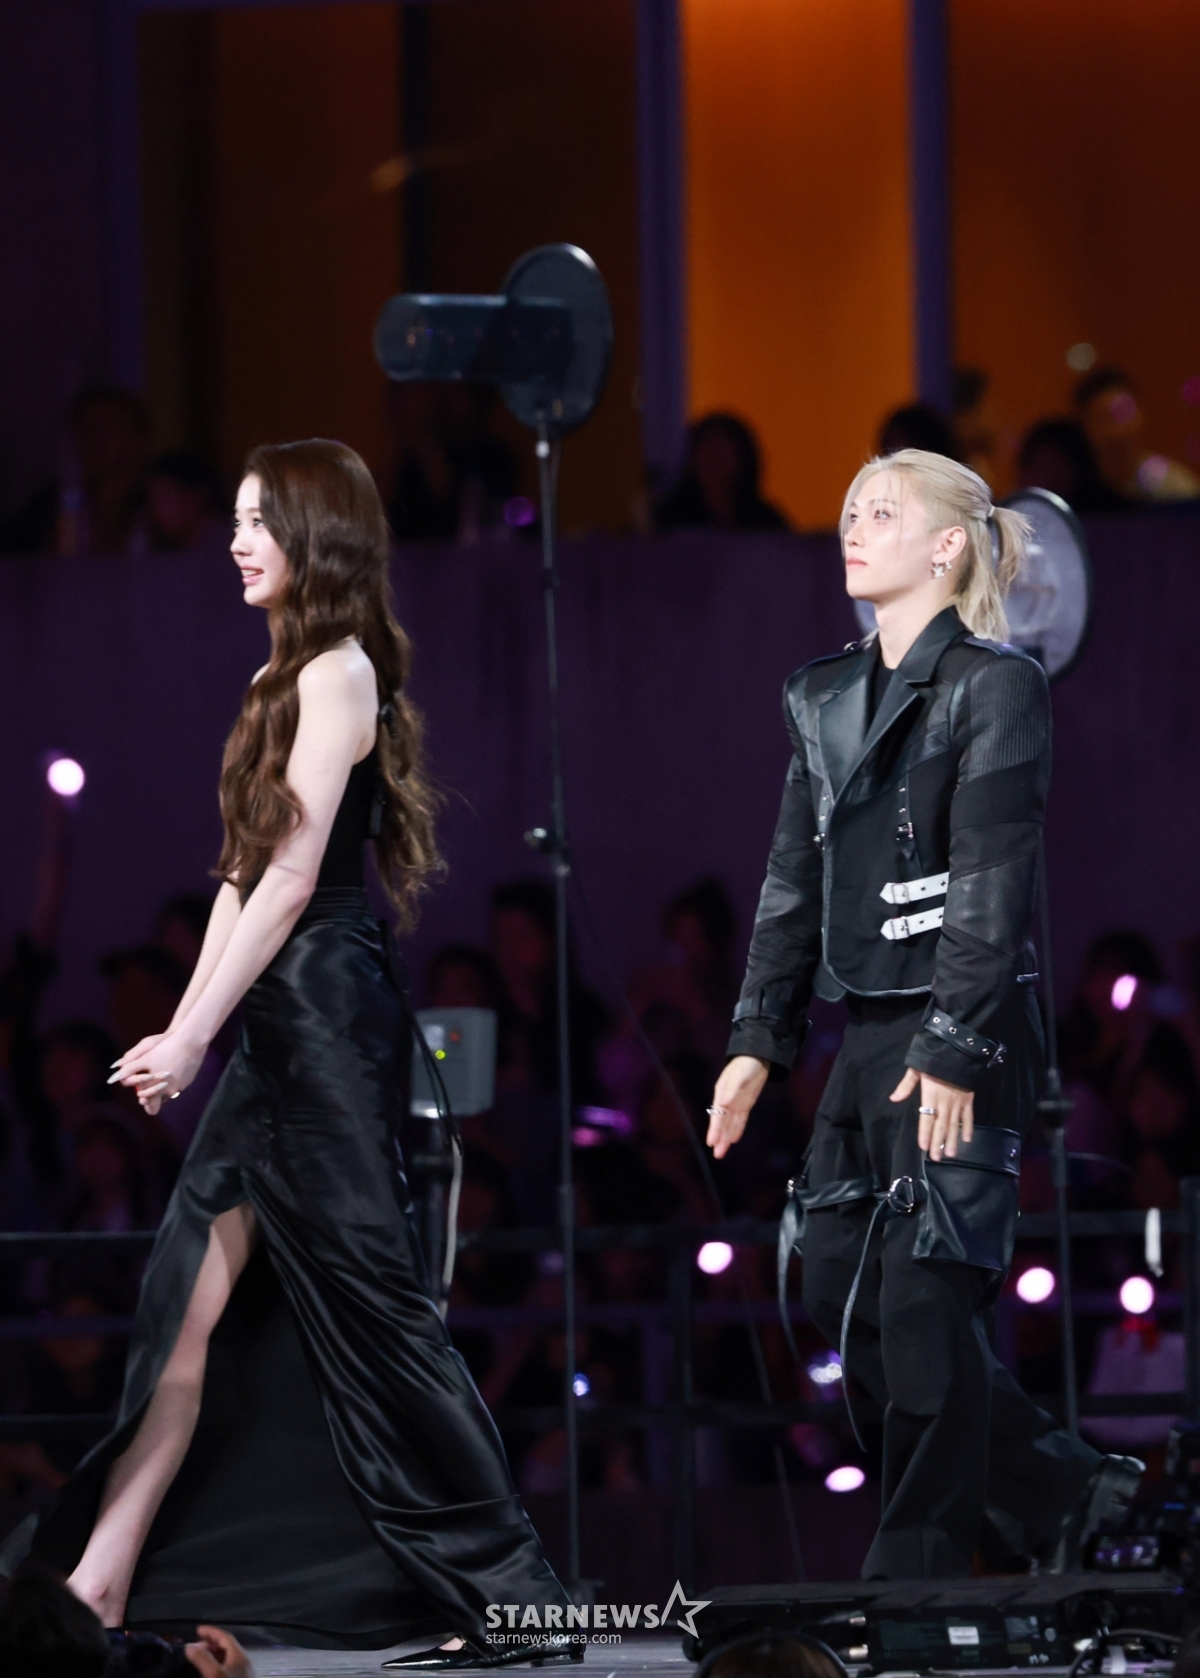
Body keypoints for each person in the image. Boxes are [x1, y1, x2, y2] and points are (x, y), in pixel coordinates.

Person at [22, 440, 574, 1663]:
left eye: (257, 521)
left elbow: (290, 878)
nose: (236, 542)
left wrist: (196, 1033)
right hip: (271, 1029)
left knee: (384, 1315)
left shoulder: (341, 670)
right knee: (182, 1312)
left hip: (320, 1022)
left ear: (316, 534)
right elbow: (237, 875)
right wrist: (182, 1027)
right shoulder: (279, 675)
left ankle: (525, 1601)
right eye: (234, 520)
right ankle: (99, 1582)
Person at [706, 447, 1142, 1577]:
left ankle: (918, 1584)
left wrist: (953, 1042)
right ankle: (1073, 1491)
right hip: (865, 1033)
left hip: (964, 1031)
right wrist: (758, 1039)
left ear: (948, 545)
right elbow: (793, 881)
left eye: (883, 513)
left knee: (924, 1314)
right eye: (851, 509)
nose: (854, 527)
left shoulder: (996, 685)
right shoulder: (818, 695)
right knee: (836, 1290)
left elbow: (994, 881)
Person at [1073, 366, 1200, 505]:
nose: (1115, 431)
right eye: (1101, 419)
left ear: (1140, 415)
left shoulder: (1176, 489)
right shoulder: (1074, 491)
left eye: (1121, 415)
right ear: (1084, 425)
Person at [655, 413, 789, 533]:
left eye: (723, 454)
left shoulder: (765, 522)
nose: (715, 463)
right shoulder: (670, 519)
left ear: (743, 460)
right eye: (708, 456)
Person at [1016, 418, 1131, 515]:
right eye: (1037, 466)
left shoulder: (1117, 516)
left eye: (1054, 463)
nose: (1046, 474)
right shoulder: (1019, 517)